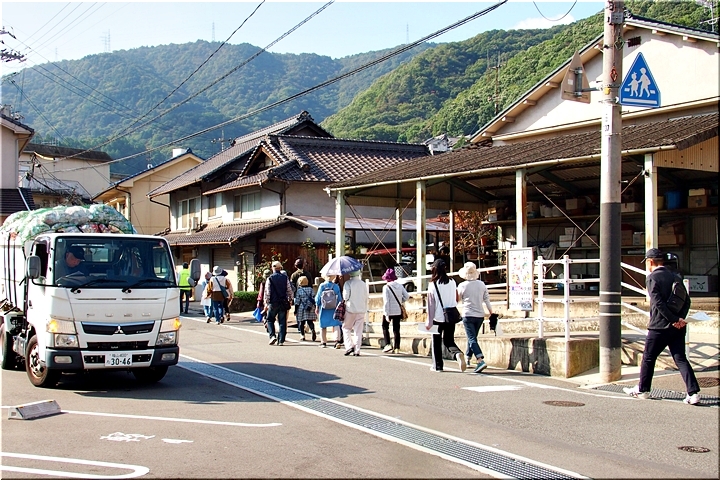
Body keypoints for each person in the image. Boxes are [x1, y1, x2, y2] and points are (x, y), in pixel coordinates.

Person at [623, 248, 700, 405]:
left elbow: (657, 303)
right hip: (678, 327)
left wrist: (673, 319)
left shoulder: (652, 278)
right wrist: (680, 319)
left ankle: (643, 390)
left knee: (648, 357)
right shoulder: (675, 276)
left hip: (659, 326)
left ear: (650, 262)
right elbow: (687, 301)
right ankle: (693, 393)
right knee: (680, 358)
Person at [425, 259, 466, 372]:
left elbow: (431, 305)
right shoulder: (452, 282)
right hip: (451, 315)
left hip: (438, 317)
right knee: (449, 340)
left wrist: (429, 321)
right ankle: (457, 354)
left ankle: (437, 366)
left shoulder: (433, 284)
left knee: (436, 342)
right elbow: (456, 298)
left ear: (434, 269)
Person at [456, 262, 493, 373]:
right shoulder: (481, 284)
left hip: (467, 314)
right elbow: (487, 299)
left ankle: (480, 359)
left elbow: (457, 300)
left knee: (471, 338)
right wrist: (491, 312)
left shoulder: (462, 285)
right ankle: (468, 357)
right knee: (473, 338)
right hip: (480, 315)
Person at [263, 261, 293, 346]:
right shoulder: (285, 278)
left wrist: (266, 302)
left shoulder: (270, 278)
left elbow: (267, 292)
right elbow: (289, 290)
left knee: (270, 319)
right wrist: (290, 299)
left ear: (273, 268)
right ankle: (281, 340)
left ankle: (272, 336)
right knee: (282, 321)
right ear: (280, 268)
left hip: (273, 302)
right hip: (283, 302)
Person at [381, 268, 409, 354]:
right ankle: (397, 348)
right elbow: (407, 296)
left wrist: (386, 314)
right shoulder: (400, 286)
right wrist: (401, 301)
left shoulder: (386, 287)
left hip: (389, 311)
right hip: (397, 310)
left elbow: (386, 301)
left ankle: (388, 344)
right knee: (396, 329)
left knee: (385, 326)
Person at [342, 269, 368, 356]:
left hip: (350, 309)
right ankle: (357, 350)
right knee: (358, 330)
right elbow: (366, 296)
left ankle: (349, 346)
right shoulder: (363, 284)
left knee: (346, 328)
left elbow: (346, 297)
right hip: (361, 309)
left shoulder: (348, 283)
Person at [315, 274, 342, 348]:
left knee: (323, 325)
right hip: (334, 307)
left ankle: (323, 342)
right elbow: (339, 298)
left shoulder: (322, 286)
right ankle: (337, 341)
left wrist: (317, 306)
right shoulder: (336, 286)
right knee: (336, 324)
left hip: (323, 308)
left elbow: (318, 298)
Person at [290, 258, 313, 336]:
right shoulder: (308, 274)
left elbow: (292, 286)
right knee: (308, 312)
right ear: (303, 265)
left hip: (298, 295)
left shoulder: (294, 275)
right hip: (308, 295)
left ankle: (301, 330)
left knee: (299, 314)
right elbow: (311, 285)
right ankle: (308, 327)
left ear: (295, 266)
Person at [294, 276, 317, 341]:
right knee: (310, 321)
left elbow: (297, 301)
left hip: (302, 307)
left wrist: (295, 310)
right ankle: (312, 329)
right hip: (310, 307)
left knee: (301, 322)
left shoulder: (299, 290)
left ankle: (302, 335)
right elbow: (313, 298)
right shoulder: (311, 289)